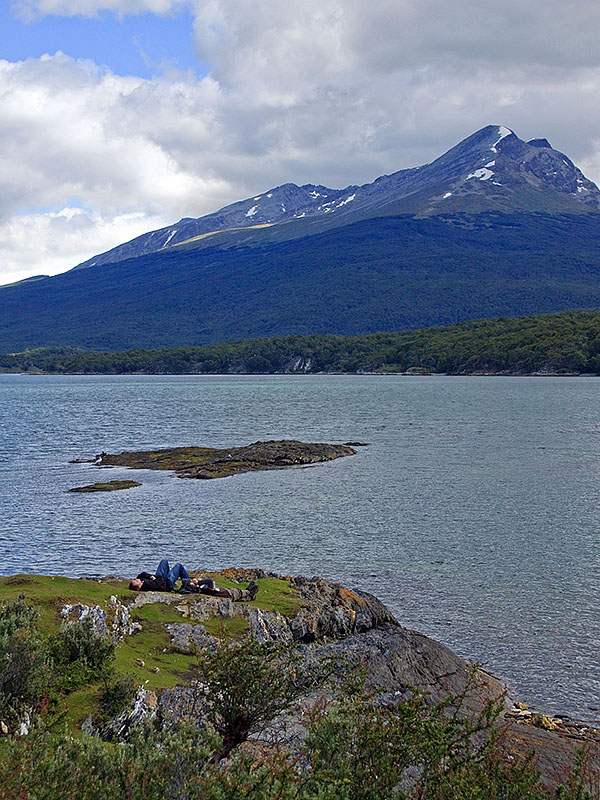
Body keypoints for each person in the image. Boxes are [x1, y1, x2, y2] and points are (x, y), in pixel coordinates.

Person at [180, 576, 259, 602]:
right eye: (191, 582)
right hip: (226, 594)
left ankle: (251, 596)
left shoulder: (201, 588)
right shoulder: (201, 589)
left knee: (242, 597)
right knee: (239, 592)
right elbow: (210, 581)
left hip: (225, 592)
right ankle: (249, 591)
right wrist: (199, 583)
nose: (193, 581)